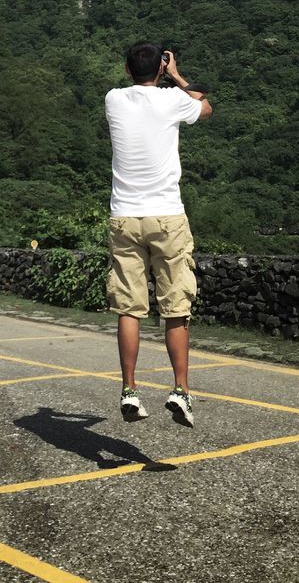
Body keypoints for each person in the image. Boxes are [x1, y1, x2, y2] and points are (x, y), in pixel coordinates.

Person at [104, 42, 212, 428]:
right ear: (161, 71)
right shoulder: (172, 100)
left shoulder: (114, 99)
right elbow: (204, 106)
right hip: (167, 216)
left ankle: (130, 389)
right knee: (176, 306)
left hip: (125, 218)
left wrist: (162, 77)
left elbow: (139, 87)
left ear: (126, 69)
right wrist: (178, 76)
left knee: (129, 308)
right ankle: (180, 391)